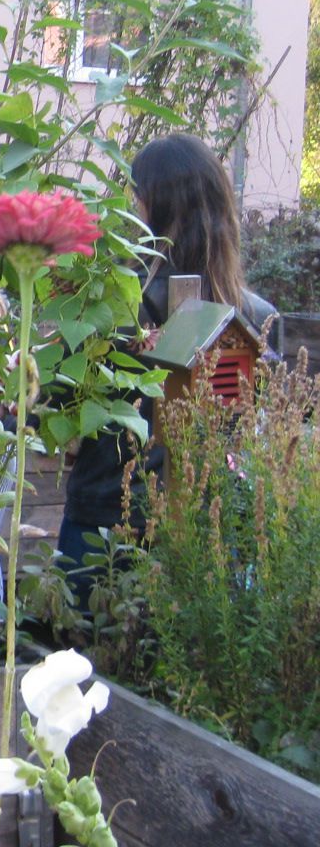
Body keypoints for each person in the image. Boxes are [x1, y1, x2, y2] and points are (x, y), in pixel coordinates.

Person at [58, 133, 277, 591]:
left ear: (150, 206)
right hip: (208, 526)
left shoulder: (117, 301)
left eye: (136, 196)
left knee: (80, 657)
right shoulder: (256, 316)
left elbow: (60, 394)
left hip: (106, 518)